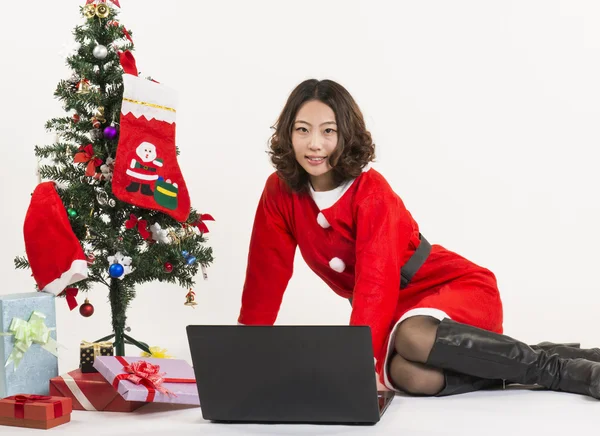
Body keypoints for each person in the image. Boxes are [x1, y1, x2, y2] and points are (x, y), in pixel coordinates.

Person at [237, 79, 600, 398]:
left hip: (454, 287)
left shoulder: (370, 191)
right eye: (303, 130)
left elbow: (375, 284)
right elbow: (265, 275)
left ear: (346, 134)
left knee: (412, 336)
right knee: (409, 376)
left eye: (328, 131)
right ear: (288, 133)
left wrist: (357, 365)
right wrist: (243, 354)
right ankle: (523, 358)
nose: (314, 144)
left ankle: (569, 373)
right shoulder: (279, 192)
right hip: (394, 310)